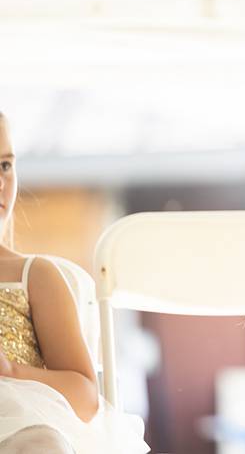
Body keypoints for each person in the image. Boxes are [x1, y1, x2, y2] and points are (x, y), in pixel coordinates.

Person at [0, 111, 149, 454]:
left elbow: (84, 395)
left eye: (6, 165)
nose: (1, 182)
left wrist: (11, 371)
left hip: (23, 434)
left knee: (42, 443)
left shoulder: (35, 276)